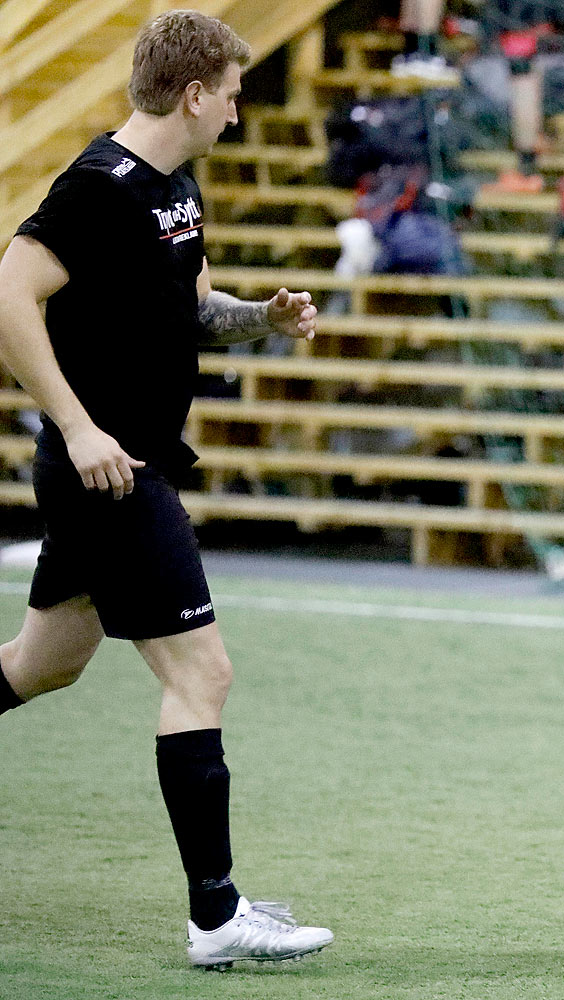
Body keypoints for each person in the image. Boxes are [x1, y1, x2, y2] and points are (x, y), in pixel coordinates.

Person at [0, 10, 332, 968]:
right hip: (109, 473)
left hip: (122, 464)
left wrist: (260, 319)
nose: (236, 112)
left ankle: (218, 910)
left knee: (42, 662)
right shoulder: (96, 187)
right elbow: (10, 296)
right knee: (203, 674)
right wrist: (76, 424)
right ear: (195, 93)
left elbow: (187, 310)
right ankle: (216, 917)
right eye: (231, 95)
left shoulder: (176, 192)